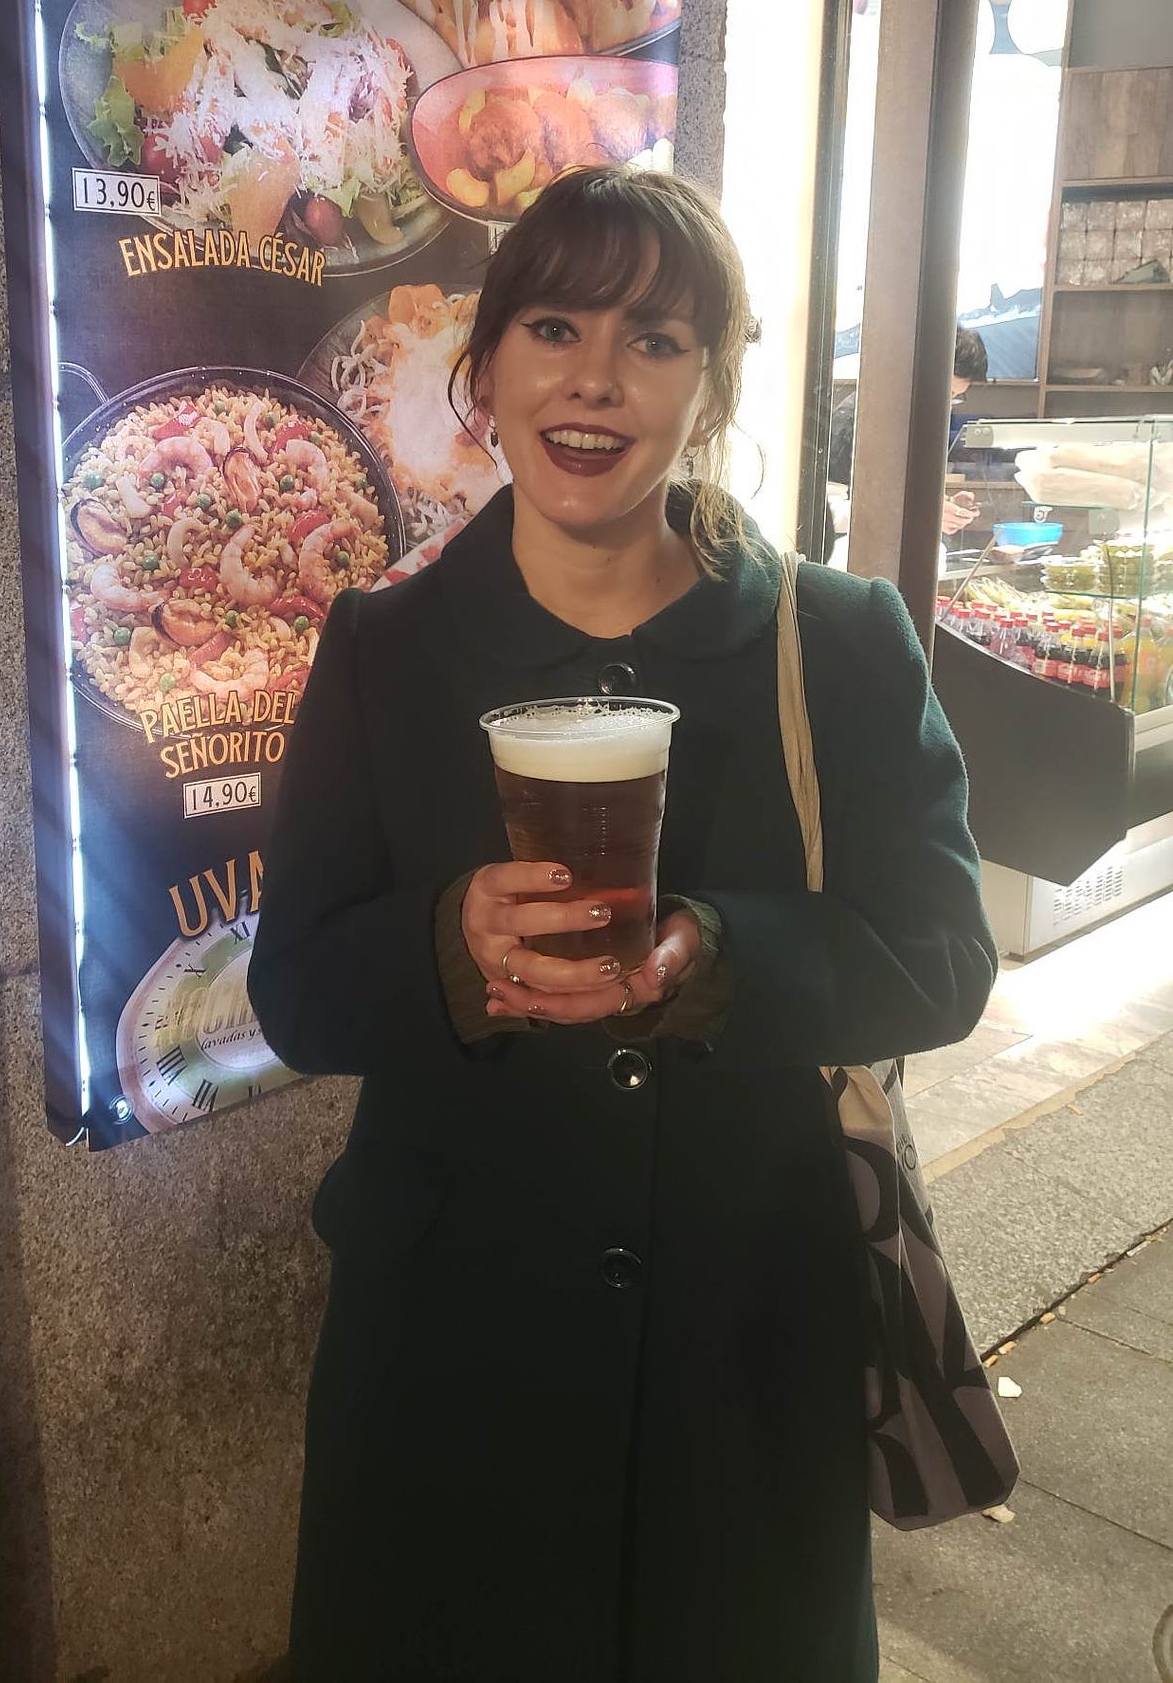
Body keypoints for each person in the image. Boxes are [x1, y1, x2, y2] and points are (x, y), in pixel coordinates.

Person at [249, 166, 996, 1683]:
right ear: (487, 369)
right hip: (453, 1352)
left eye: (656, 340)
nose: (595, 379)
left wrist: (729, 959)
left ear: (711, 385)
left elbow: (942, 955)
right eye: (553, 325)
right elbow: (300, 990)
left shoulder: (836, 643)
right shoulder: (386, 649)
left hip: (748, 1343)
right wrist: (452, 942)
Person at [827, 324, 989, 541]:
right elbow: (829, 513)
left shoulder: (916, 424)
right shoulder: (853, 419)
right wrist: (924, 515)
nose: (946, 406)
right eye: (945, 394)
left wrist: (946, 506)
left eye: (955, 397)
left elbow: (903, 496)